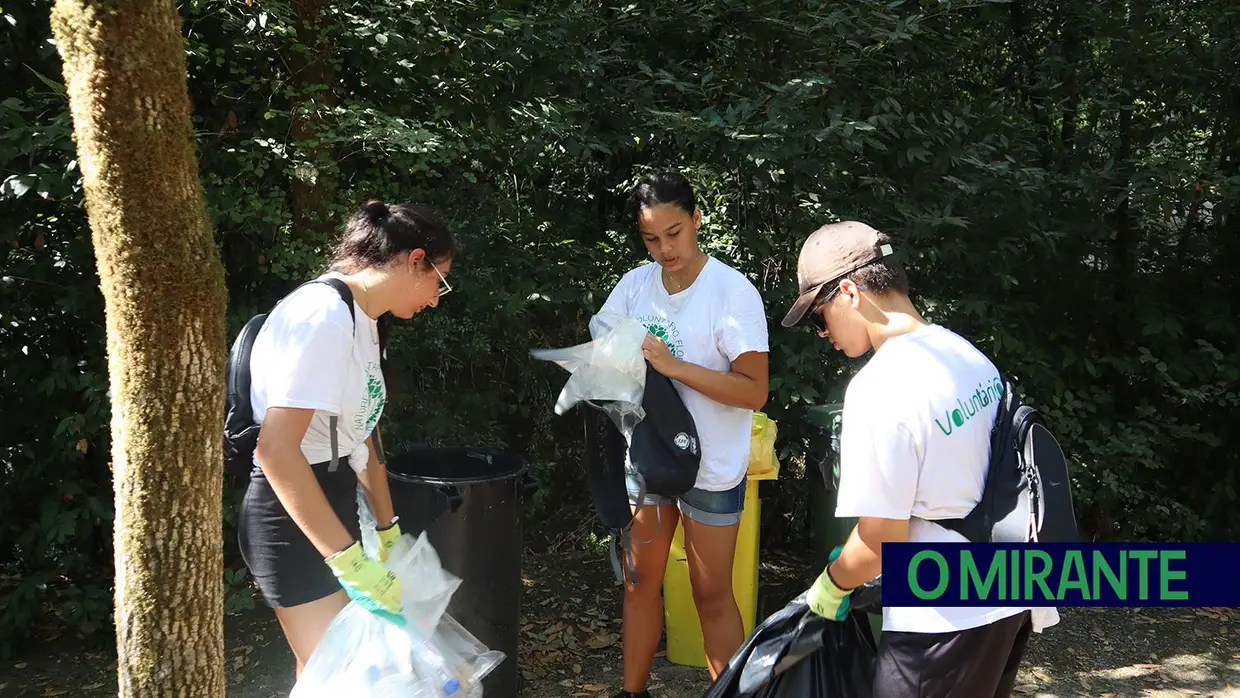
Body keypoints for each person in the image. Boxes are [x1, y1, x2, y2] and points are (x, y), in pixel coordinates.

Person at [780, 221, 1034, 697]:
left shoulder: (881, 388)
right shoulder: (966, 355)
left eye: (819, 316)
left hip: (941, 620)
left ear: (850, 293)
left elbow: (879, 539)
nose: (822, 333)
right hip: (1008, 597)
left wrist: (831, 585)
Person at [237, 200, 456, 675]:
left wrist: (387, 530)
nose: (437, 299)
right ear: (414, 260)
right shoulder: (325, 316)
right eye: (439, 282)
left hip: (332, 503)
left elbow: (364, 434)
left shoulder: (364, 320)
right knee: (337, 675)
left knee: (324, 673)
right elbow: (275, 451)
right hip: (291, 518)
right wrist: (350, 562)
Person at [596, 171, 770, 698]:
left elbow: (753, 391)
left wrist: (672, 366)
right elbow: (604, 337)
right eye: (651, 238)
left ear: (697, 219)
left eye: (674, 232)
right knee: (639, 581)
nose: (664, 248)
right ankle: (634, 692)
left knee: (711, 592)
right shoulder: (634, 285)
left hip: (713, 466)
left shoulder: (731, 292)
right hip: (649, 458)